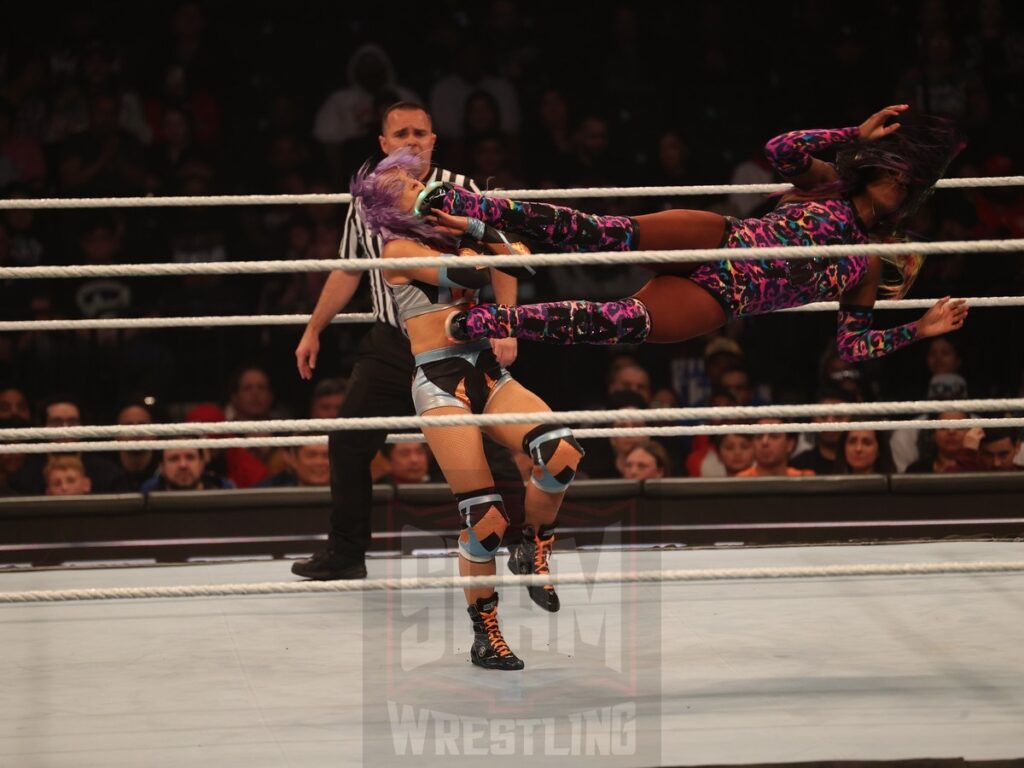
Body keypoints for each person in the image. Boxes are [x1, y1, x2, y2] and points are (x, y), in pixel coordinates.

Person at [425, 106, 968, 361]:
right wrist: (852, 132)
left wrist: (918, 330)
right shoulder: (828, 187)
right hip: (722, 238)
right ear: (881, 164)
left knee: (617, 322)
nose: (897, 181)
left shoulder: (867, 264)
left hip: (723, 296)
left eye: (907, 182)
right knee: (601, 232)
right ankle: (472, 205)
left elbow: (852, 345)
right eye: (895, 168)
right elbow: (782, 150)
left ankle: (486, 321)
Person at [347, 149, 585, 671]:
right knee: (486, 518)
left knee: (561, 449)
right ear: (393, 204)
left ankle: (536, 543)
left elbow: (517, 259)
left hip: (485, 371)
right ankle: (487, 633)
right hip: (439, 382)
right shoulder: (398, 250)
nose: (422, 184)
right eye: (410, 184)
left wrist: (477, 223)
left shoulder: (450, 234)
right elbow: (481, 273)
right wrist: (481, 226)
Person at [291, 102, 522, 582]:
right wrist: (314, 328)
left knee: (489, 444)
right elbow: (350, 267)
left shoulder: (462, 189)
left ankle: (520, 542)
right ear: (383, 143)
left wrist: (506, 324)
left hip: (459, 338)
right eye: (401, 133)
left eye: (420, 133)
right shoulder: (367, 198)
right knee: (349, 442)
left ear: (434, 140)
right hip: (392, 341)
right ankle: (347, 553)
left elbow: (500, 254)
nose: (411, 141)